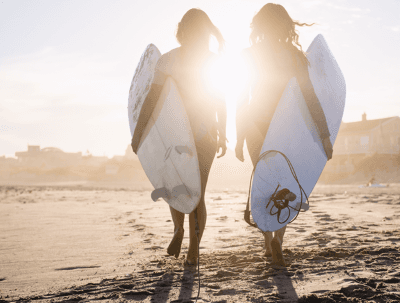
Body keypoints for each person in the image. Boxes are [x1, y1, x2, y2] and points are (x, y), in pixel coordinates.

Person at [235, 3, 333, 266]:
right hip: (286, 127)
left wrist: (238, 136)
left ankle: (267, 245)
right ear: (285, 25)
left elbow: (241, 99)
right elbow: (310, 97)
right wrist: (324, 135)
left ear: (259, 25)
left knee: (264, 183)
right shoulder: (293, 56)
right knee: (285, 183)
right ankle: (279, 238)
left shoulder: (249, 54)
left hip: (256, 124)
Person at [131, 8, 227, 266]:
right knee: (199, 193)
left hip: (175, 137)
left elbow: (151, 99)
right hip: (206, 134)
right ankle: (194, 249)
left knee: (175, 188)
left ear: (182, 30)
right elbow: (220, 100)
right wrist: (224, 131)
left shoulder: (168, 61)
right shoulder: (212, 61)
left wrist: (139, 132)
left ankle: (178, 230)